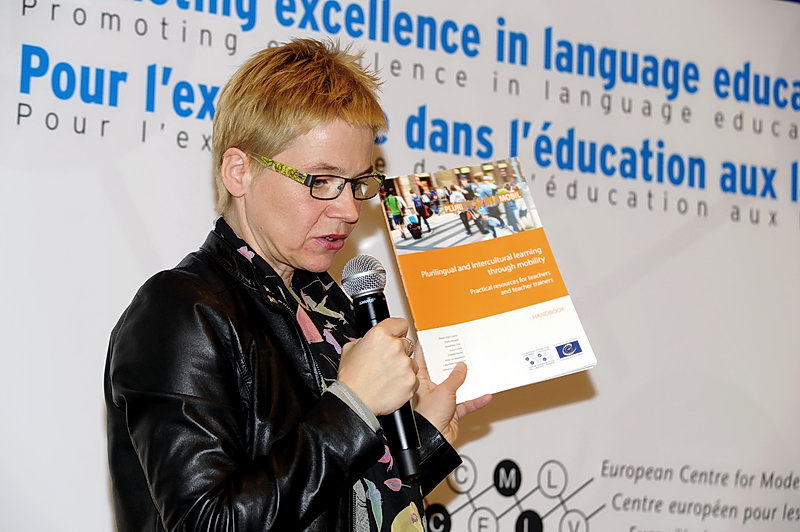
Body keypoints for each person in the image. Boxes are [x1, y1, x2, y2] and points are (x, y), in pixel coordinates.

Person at [105, 39, 491, 531]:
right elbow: (208, 523)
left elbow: (335, 506)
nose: (349, 210)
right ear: (240, 171)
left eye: (358, 183)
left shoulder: (329, 309)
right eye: (321, 181)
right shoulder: (180, 311)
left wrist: (425, 436)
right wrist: (353, 405)